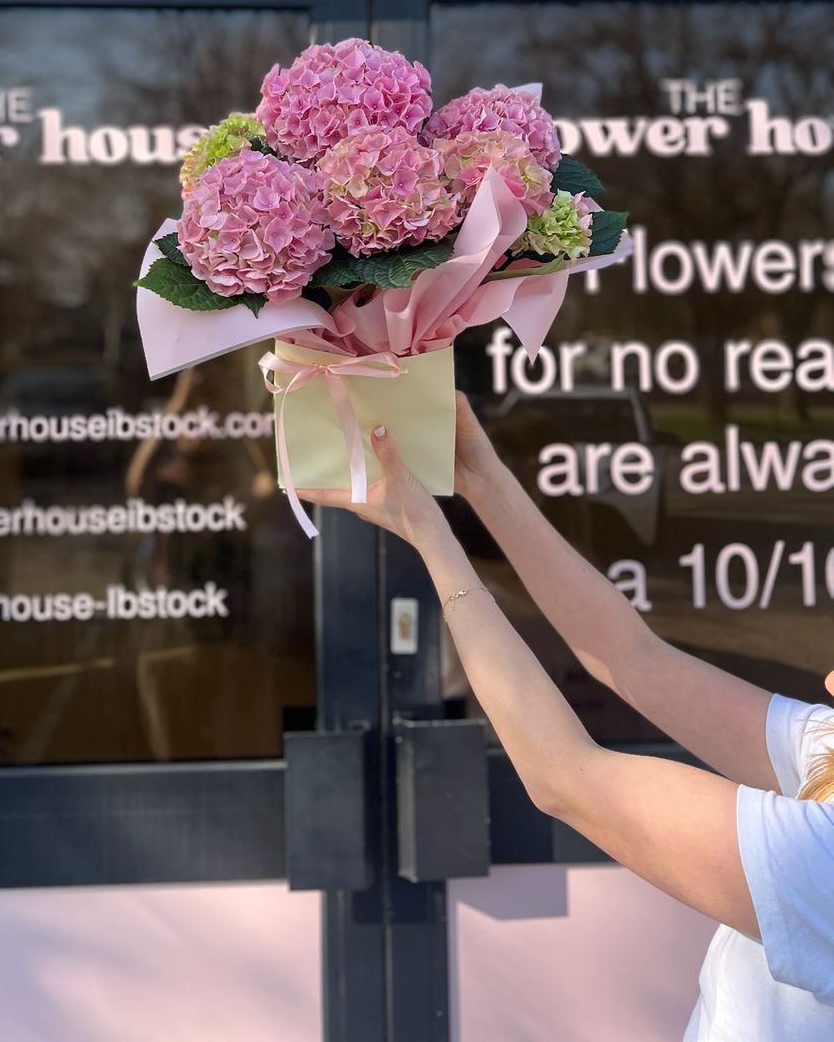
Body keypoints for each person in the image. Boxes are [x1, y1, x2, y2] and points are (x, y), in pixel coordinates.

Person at [299, 394, 834, 1041]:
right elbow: (629, 656)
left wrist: (429, 535)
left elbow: (564, 777)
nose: (827, 677)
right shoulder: (822, 751)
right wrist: (481, 479)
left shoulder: (821, 858)